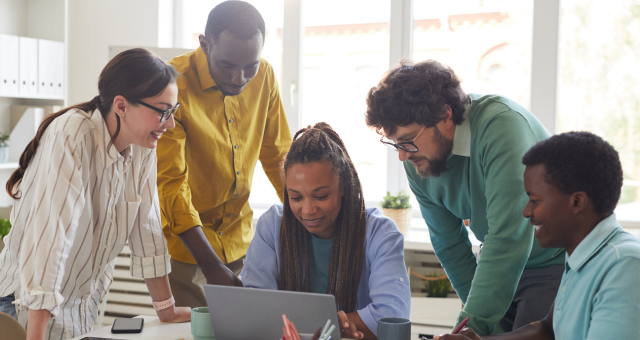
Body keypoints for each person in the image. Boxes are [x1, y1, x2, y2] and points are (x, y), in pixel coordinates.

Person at [0, 48, 191, 340]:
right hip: (25, 309)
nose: (170, 123)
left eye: (173, 111)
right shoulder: (72, 135)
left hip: (78, 310)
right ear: (121, 105)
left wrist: (166, 309)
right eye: (163, 111)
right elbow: (50, 240)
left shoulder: (143, 146)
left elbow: (147, 228)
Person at [365, 60, 565, 335]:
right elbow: (449, 244)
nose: (402, 155)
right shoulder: (415, 158)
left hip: (550, 262)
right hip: (496, 262)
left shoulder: (501, 126)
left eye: (409, 140)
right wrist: (470, 328)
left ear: (446, 116)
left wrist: (472, 328)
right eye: (396, 143)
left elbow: (508, 235)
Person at [434, 131, 640, 340]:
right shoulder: (583, 255)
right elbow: (548, 330)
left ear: (577, 202)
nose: (526, 212)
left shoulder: (625, 265)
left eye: (535, 200)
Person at [157, 0, 292, 308]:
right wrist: (210, 265)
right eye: (227, 66)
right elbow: (171, 184)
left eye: (250, 66)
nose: (239, 78)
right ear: (205, 44)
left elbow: (278, 156)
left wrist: (307, 217)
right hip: (187, 250)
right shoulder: (171, 84)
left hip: (242, 243)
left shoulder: (266, 76)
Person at [240, 123, 411, 340]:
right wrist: (336, 325)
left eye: (321, 196)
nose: (308, 210)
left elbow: (390, 318)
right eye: (296, 197)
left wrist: (317, 327)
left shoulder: (380, 234)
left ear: (344, 188)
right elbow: (253, 308)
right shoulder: (273, 226)